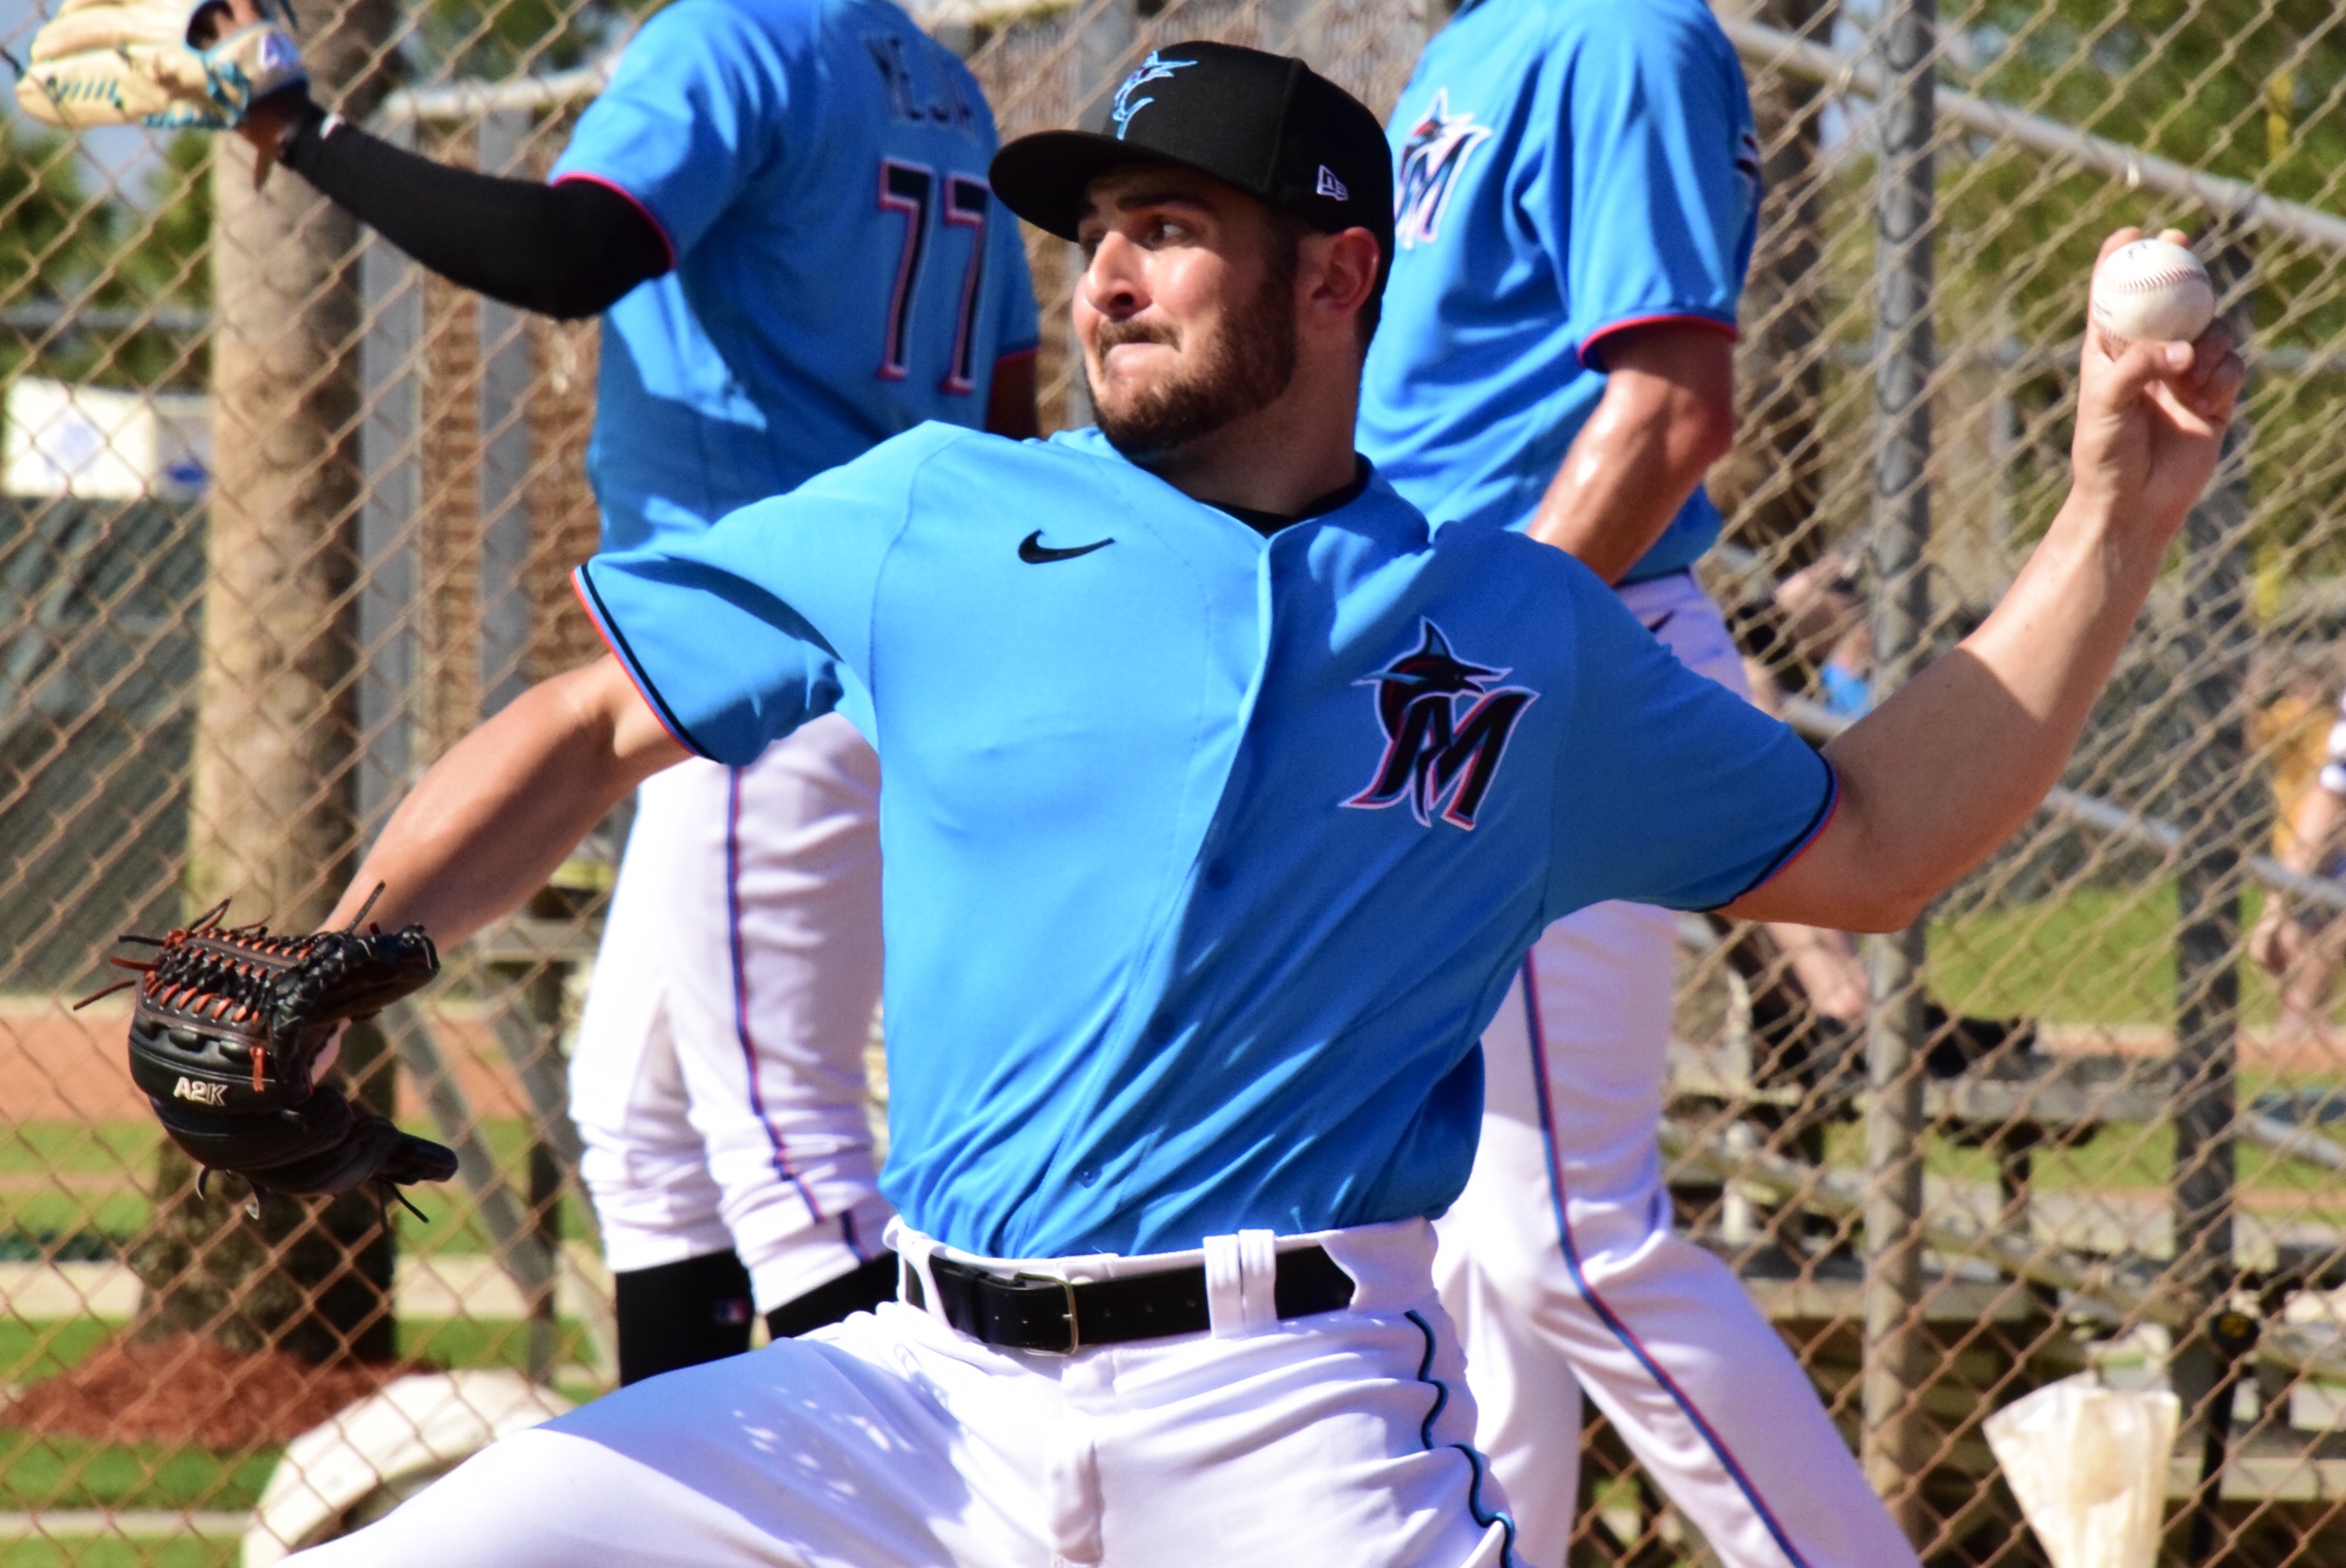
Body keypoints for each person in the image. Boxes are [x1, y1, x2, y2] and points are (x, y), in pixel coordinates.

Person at [285, 40, 2236, 1568]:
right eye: (1095, 226)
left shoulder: (1507, 627)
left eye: (1169, 224)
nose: (1107, 272)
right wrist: (329, 964)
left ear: (1334, 273)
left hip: (1284, 1408)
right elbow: (578, 726)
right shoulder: (936, 518)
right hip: (903, 1395)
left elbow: (1880, 840)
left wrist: (2107, 521)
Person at [209, 0, 1041, 1379]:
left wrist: (300, 129)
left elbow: (571, 251)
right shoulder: (938, 82)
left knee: (790, 1157)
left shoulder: (737, 35)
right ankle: (704, 1510)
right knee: (643, 1120)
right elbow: (1008, 407)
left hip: (762, 658)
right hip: (873, 635)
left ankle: (941, 1510)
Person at [1356, 2, 1889, 1560]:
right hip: (1463, 649)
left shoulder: (1612, 29)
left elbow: (1665, 407)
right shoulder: (1483, 38)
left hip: (1543, 650)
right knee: (1473, 1246)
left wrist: (1490, 652)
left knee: (1569, 1244)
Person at [2250, 664, 2346, 1039]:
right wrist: (2276, 908)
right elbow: (2331, 794)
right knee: (2304, 934)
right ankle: (2299, 1018)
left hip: (2319, 844)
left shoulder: (2325, 718)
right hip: (2312, 845)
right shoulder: (2294, 717)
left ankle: (2300, 1017)